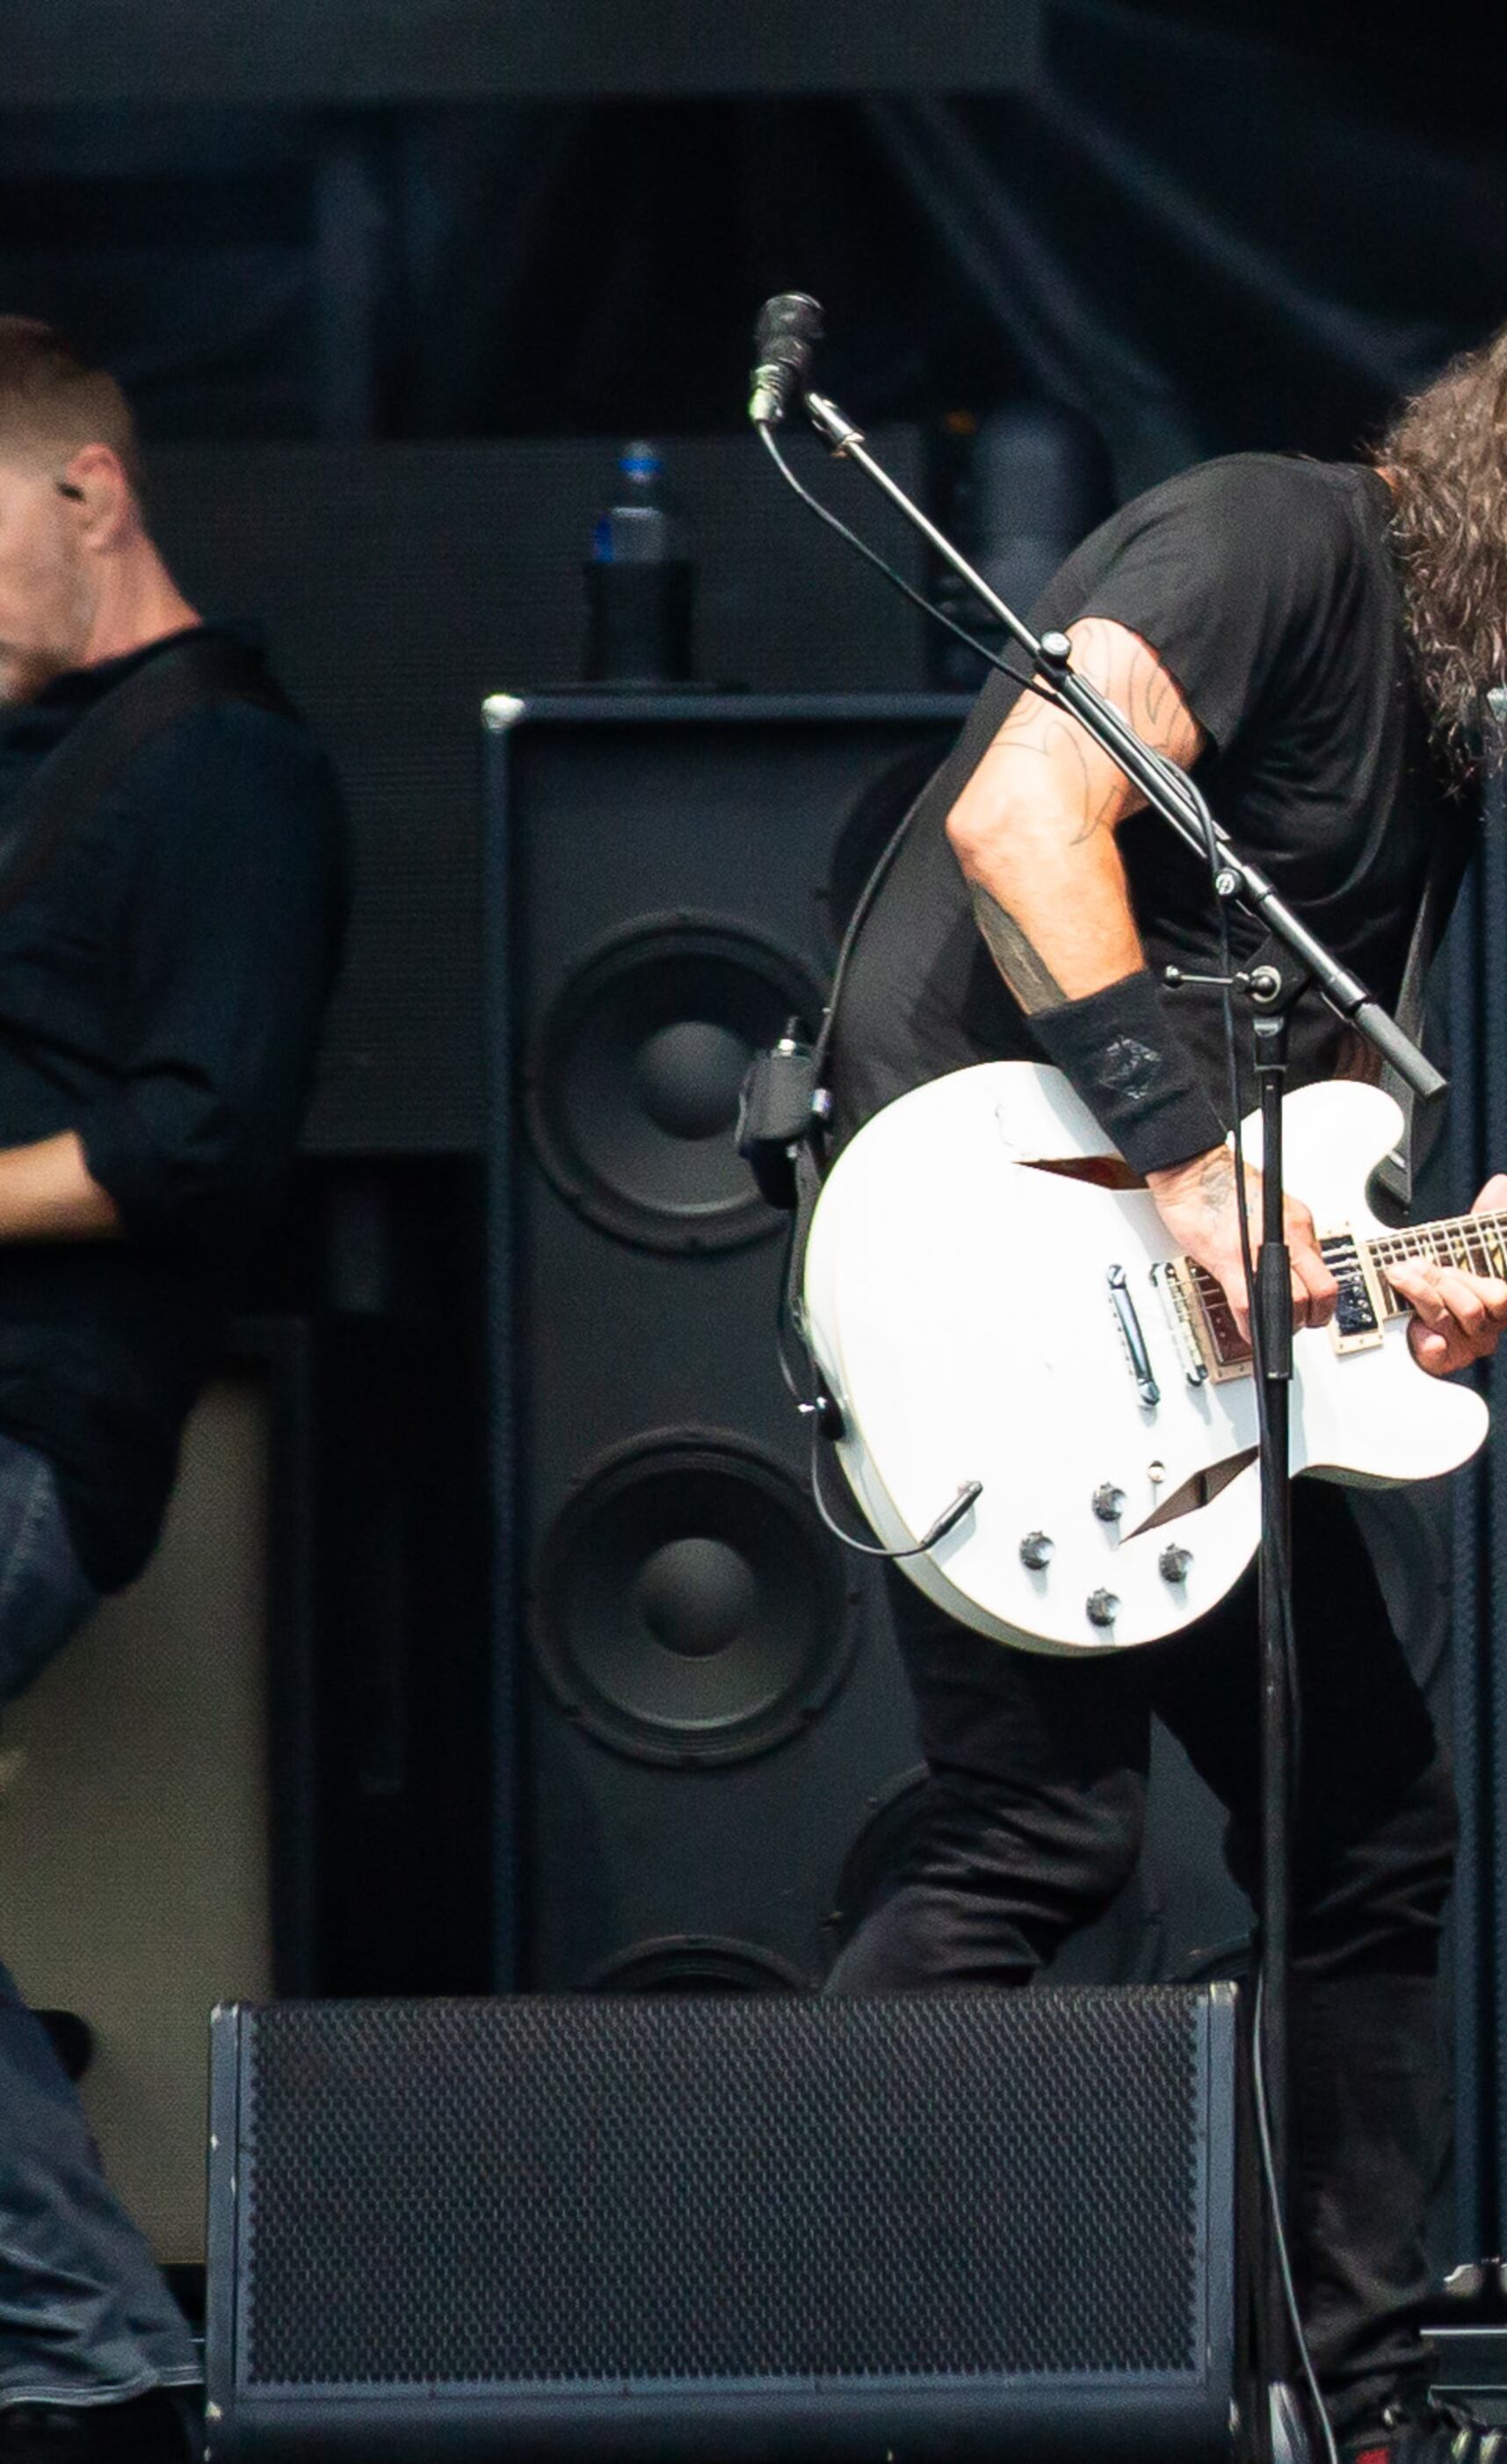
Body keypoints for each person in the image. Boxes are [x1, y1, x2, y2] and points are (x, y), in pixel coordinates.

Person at [817, 284, 1507, 2464]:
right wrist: (1181, 1171)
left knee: (1360, 1828)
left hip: (1165, 1341)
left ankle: (1346, 2407)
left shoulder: (1445, 737)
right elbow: (1022, 824)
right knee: (1036, 1833)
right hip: (979, 1271)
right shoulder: (1268, 545)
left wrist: (1381, 1276)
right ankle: (742, 2334)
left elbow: (1315, 1099)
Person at [0, 321, 346, 2459]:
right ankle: (81, 2341)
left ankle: (89, 2346)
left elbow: (189, 1138)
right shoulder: (59, 765)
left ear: (86, 492)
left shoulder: (224, 765)